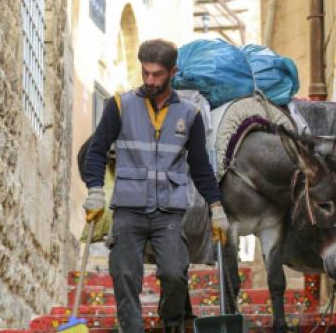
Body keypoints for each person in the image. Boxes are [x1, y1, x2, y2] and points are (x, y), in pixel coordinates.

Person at [81, 39, 229, 333]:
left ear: (172, 72)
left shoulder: (190, 114)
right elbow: (95, 151)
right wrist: (95, 191)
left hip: (169, 213)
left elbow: (200, 167)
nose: (150, 80)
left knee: (175, 274)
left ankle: (172, 324)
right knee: (124, 274)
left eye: (157, 74)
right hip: (128, 209)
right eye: (145, 73)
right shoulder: (120, 105)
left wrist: (216, 207)